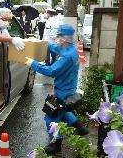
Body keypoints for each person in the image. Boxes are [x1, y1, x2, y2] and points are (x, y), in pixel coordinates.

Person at [25, 24, 88, 154]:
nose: (57, 38)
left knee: (51, 117)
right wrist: (44, 43)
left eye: (59, 36)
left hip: (63, 91)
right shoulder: (70, 49)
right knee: (63, 111)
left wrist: (33, 63)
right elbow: (56, 48)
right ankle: (80, 127)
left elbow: (52, 71)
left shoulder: (66, 56)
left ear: (64, 38)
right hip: (69, 88)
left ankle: (56, 143)